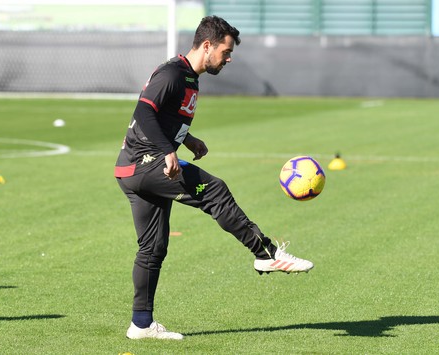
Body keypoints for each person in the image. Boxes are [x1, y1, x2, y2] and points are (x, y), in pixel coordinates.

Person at [115, 15, 313, 340]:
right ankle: (266, 254)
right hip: (146, 164)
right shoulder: (172, 74)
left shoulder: (190, 78)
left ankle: (140, 324)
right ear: (207, 45)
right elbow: (144, 111)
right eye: (226, 51)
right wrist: (168, 151)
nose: (229, 58)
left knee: (152, 249)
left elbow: (165, 116)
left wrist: (187, 139)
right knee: (215, 191)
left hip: (132, 169)